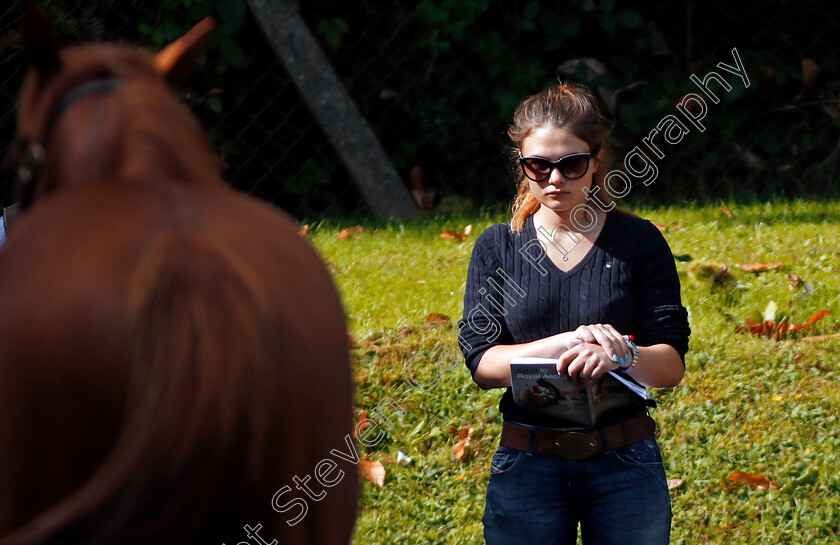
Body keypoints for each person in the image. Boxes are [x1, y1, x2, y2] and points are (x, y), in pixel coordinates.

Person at [458, 81, 690, 545]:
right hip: (528, 461)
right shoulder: (498, 247)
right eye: (538, 165)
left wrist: (621, 354)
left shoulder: (638, 242)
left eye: (571, 164)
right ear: (522, 165)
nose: (554, 179)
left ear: (597, 159)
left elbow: (671, 364)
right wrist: (564, 344)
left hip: (625, 459)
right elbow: (482, 364)